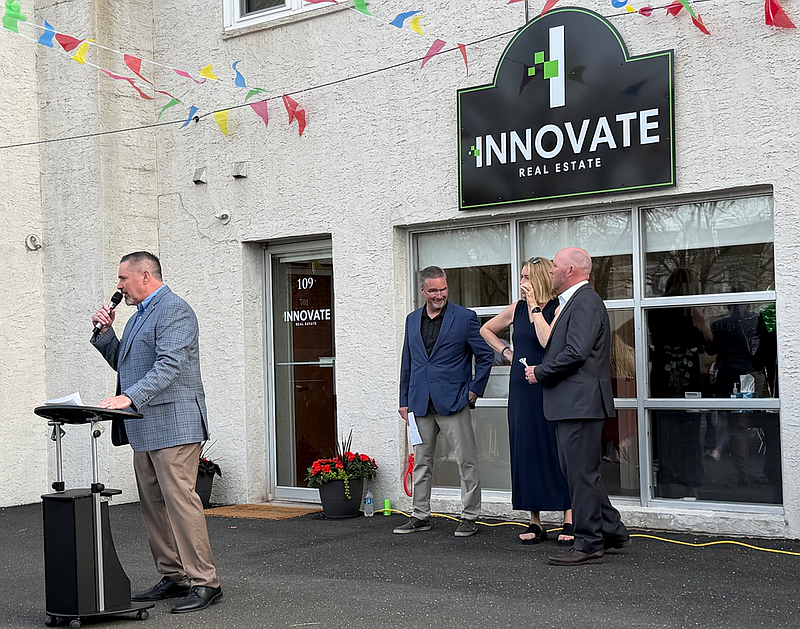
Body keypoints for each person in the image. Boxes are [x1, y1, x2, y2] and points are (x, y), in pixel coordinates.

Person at [91, 251, 222, 613]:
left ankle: (205, 582)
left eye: (123, 278)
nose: (119, 286)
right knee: (154, 507)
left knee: (181, 505)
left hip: (175, 425)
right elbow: (127, 364)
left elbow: (169, 366)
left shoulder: (174, 310)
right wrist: (106, 334)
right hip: (144, 426)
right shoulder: (138, 317)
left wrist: (128, 397)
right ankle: (175, 576)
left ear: (145, 276)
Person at [525, 248, 629, 566]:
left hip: (580, 404)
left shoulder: (584, 302)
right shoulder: (576, 301)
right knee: (582, 475)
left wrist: (540, 372)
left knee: (581, 476)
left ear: (570, 270)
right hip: (575, 404)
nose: (550, 271)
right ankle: (611, 529)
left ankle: (588, 543)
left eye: (555, 266)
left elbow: (575, 353)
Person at [480, 257, 572, 545]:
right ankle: (535, 520)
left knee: (556, 449)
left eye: (527, 277)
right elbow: (485, 330)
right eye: (521, 276)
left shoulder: (558, 307)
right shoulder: (516, 308)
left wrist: (534, 305)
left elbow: (547, 342)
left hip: (549, 385)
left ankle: (569, 517)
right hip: (521, 388)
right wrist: (506, 352)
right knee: (526, 448)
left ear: (542, 278)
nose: (522, 282)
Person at [396, 266, 494, 537]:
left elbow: (485, 355)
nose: (440, 295)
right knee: (421, 463)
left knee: (466, 461)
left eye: (443, 289)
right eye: (434, 290)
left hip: (454, 401)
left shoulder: (464, 318)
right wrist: (404, 400)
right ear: (423, 290)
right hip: (419, 402)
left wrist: (474, 390)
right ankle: (420, 515)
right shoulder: (411, 320)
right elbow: (408, 362)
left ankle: (470, 516)